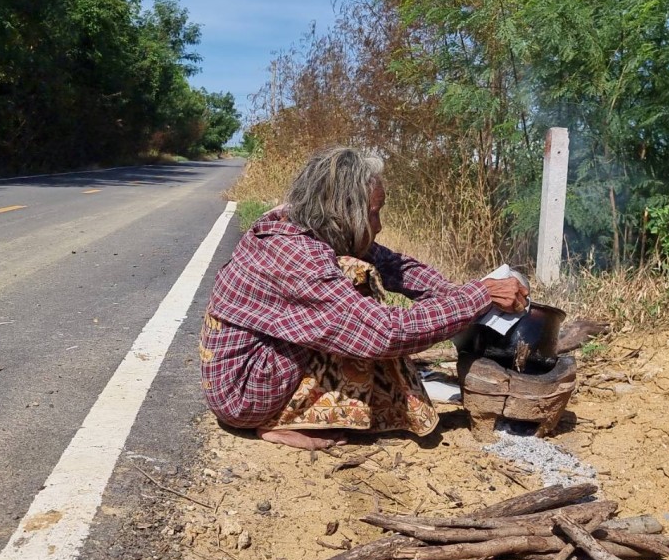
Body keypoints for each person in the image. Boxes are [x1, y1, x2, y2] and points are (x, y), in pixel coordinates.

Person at [198, 147, 528, 450]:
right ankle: (275, 421)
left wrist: (471, 292)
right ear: (345, 211)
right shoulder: (298, 256)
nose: (379, 225)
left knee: (360, 272)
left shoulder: (306, 222)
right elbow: (384, 333)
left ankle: (290, 411)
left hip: (252, 372)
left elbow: (396, 267)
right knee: (356, 281)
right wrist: (479, 295)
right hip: (244, 397)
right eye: (374, 213)